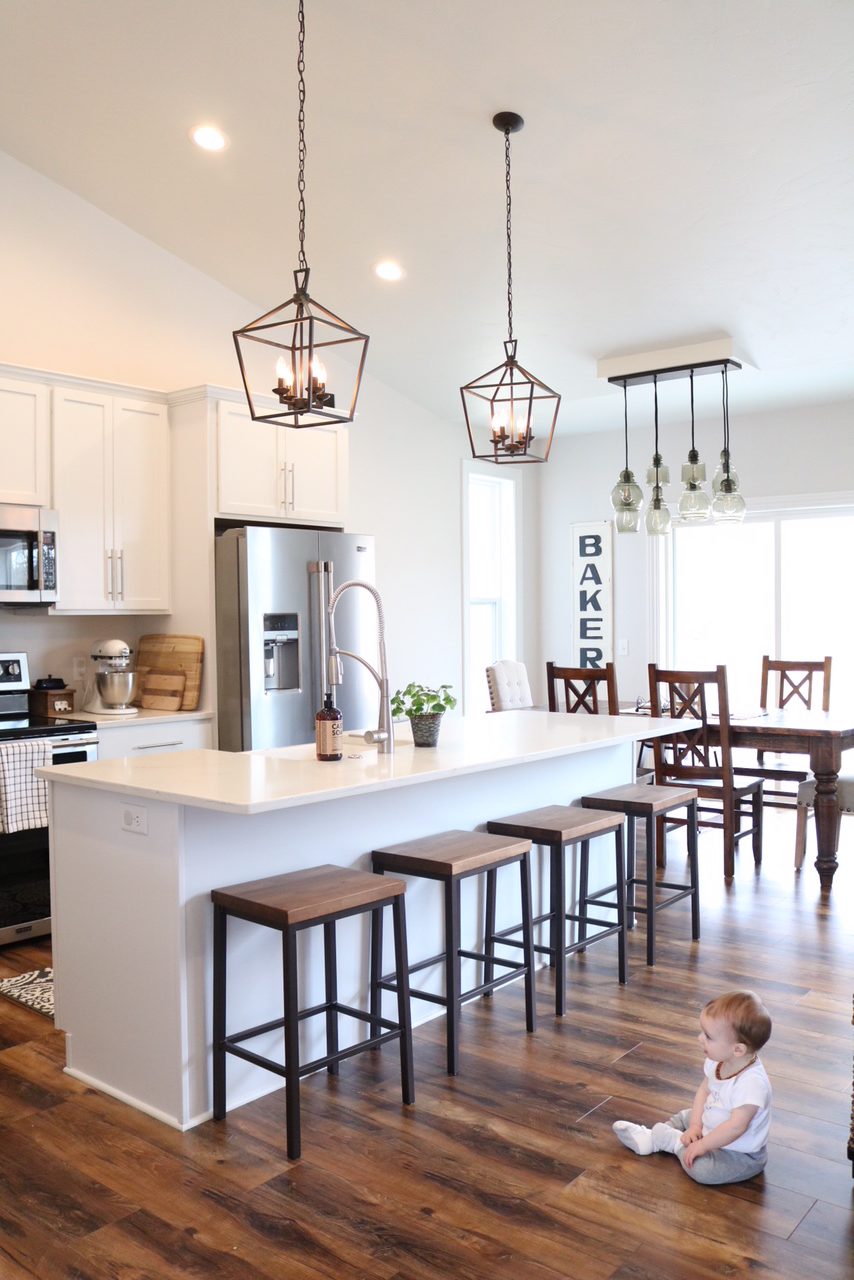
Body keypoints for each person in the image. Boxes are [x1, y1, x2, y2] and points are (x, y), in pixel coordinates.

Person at [612, 990, 772, 1185]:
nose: (700, 1038)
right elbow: (704, 1091)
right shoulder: (718, 1060)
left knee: (703, 1171)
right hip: (711, 1125)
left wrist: (703, 1145)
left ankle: (672, 1142)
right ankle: (655, 1137)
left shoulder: (751, 1083)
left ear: (737, 1049)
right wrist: (696, 1125)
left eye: (708, 1036)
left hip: (738, 1154)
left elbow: (736, 1127)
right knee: (686, 1116)